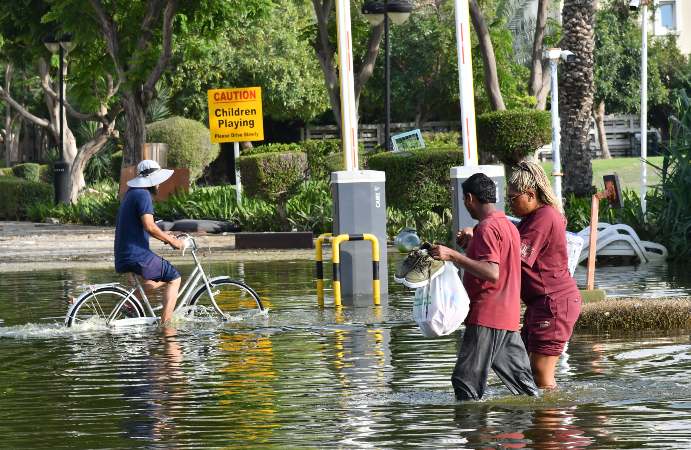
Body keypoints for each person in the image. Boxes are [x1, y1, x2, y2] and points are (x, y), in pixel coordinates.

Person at [429, 173, 538, 401]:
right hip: (507, 317)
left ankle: (475, 435)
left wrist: (453, 256)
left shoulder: (488, 229)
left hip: (487, 316)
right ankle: (539, 423)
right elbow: (499, 261)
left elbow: (492, 273)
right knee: (525, 388)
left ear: (469, 198)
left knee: (465, 382)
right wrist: (472, 243)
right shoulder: (506, 226)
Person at [507, 160, 582, 389]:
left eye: (513, 198)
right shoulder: (532, 218)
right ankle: (540, 422)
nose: (509, 204)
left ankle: (552, 423)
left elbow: (517, 255)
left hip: (553, 303)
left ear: (530, 194)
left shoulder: (544, 217)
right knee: (525, 369)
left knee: (541, 374)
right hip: (542, 303)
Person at [114, 160, 184, 325]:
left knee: (152, 283)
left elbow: (145, 227)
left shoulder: (131, 194)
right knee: (174, 277)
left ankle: (129, 303)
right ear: (151, 180)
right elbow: (150, 226)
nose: (159, 185)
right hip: (136, 255)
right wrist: (173, 241)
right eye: (158, 181)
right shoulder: (143, 195)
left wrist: (165, 234)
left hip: (124, 254)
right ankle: (166, 324)